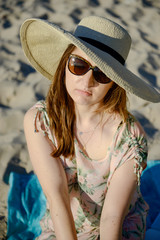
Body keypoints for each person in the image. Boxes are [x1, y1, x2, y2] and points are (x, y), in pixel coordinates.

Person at [20, 16, 160, 240]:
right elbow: (57, 197)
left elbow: (112, 217)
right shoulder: (40, 120)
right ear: (65, 62)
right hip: (62, 226)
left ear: (115, 81)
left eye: (101, 73)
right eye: (78, 65)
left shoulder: (129, 137)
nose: (87, 82)